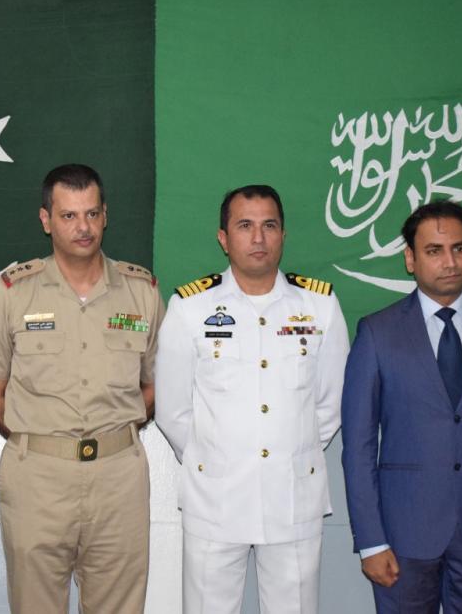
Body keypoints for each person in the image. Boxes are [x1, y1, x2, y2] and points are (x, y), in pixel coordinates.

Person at [0, 163, 164, 614]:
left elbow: (158, 385)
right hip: (37, 476)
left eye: (92, 214)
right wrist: (34, 436)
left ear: (106, 216)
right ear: (46, 220)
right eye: (70, 216)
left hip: (118, 479)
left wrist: (123, 423)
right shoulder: (15, 291)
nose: (83, 227)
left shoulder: (142, 291)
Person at [155, 184, 349, 614]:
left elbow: (331, 405)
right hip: (215, 499)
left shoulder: (320, 306)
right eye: (244, 226)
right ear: (224, 238)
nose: (258, 238)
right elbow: (172, 411)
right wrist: (221, 457)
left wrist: (285, 450)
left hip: (292, 496)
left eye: (269, 225)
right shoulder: (190, 308)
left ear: (283, 235)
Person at [341, 200, 462, 613]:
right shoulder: (377, 334)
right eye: (434, 251)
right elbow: (358, 448)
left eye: (459, 249)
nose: (449, 261)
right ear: (410, 259)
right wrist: (371, 541)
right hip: (403, 537)